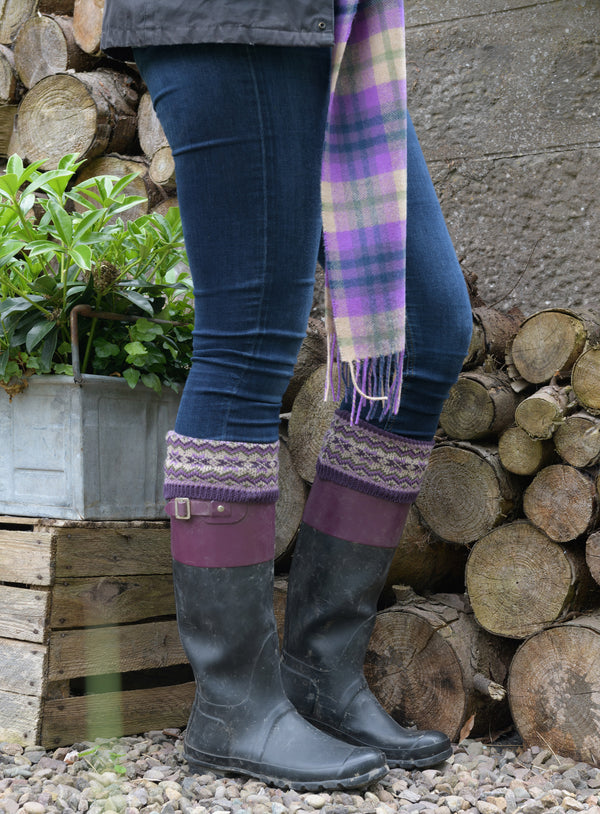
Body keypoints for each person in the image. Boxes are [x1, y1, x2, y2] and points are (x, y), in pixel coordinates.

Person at [101, 0, 473, 793]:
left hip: (337, 26)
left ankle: (320, 673)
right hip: (234, 20)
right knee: (248, 339)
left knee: (426, 330)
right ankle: (234, 705)